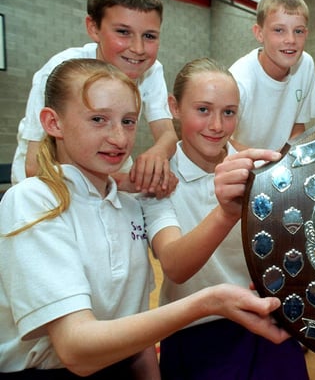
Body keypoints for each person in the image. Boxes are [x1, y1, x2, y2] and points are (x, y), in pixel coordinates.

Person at [0, 58, 288, 378]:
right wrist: (207, 302)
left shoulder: (132, 204)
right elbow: (75, 349)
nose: (119, 138)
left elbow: (137, 337)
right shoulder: (33, 200)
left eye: (128, 122)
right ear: (53, 123)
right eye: (98, 119)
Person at [151, 58, 309, 379]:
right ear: (174, 107)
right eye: (203, 110)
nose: (217, 126)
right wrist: (225, 213)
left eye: (229, 112)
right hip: (195, 330)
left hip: (264, 319)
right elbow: (176, 267)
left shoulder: (259, 170)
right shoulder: (159, 176)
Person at [12, 0, 178, 195]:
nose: (138, 48)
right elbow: (33, 166)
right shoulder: (60, 69)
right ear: (93, 28)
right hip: (50, 174)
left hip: (105, 168)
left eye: (149, 36)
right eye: (123, 32)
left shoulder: (151, 69)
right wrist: (120, 182)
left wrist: (157, 153)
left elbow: (168, 134)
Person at [229, 0, 315, 151]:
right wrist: (265, 163)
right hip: (240, 163)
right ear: (259, 33)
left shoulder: (305, 64)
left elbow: (297, 129)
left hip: (279, 164)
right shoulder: (238, 79)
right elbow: (222, 142)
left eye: (298, 31)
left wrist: (283, 162)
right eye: (279, 30)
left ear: (306, 34)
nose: (291, 40)